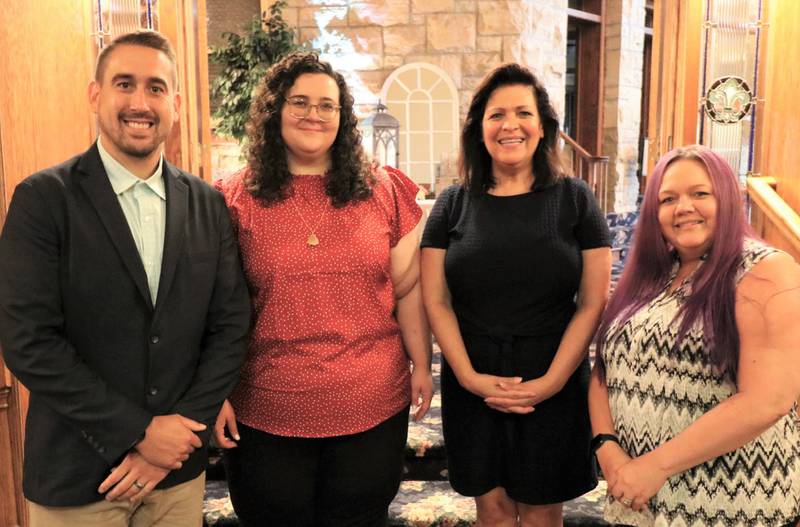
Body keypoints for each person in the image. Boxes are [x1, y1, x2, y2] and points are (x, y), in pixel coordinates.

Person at [0, 31, 251, 527]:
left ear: (175, 103)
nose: (140, 102)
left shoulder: (208, 203)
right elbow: (27, 340)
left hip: (176, 477)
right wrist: (139, 433)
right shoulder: (43, 200)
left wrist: (174, 442)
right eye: (124, 84)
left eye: (155, 88)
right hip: (78, 477)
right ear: (96, 94)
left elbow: (231, 326)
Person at [212, 51, 433, 526]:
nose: (314, 114)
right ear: (275, 111)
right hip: (266, 405)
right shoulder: (233, 197)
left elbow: (408, 289)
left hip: (370, 401)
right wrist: (215, 391)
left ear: (342, 116)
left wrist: (421, 364)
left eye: (327, 105)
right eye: (300, 101)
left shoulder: (382, 190)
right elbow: (212, 306)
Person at [420, 63, 611, 526]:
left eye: (523, 112)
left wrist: (550, 382)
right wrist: (466, 377)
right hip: (474, 378)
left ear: (543, 125)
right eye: (496, 114)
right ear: (478, 128)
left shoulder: (576, 200)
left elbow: (592, 303)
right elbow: (436, 300)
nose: (510, 125)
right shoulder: (452, 203)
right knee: (493, 509)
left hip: (555, 375)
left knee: (543, 512)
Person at [588, 145, 800, 526]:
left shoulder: (765, 271)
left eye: (700, 194)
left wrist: (655, 466)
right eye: (668, 198)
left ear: (729, 199)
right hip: (639, 499)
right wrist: (608, 448)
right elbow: (605, 370)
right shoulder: (651, 275)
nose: (683, 207)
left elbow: (769, 400)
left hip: (730, 503)